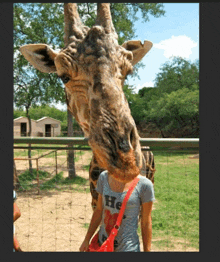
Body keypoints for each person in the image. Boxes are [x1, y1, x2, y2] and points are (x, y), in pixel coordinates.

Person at [79, 170, 155, 252]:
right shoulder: (104, 177)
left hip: (128, 248)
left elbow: (146, 221)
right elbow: (99, 210)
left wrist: (147, 250)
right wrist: (87, 239)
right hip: (102, 245)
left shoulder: (144, 184)